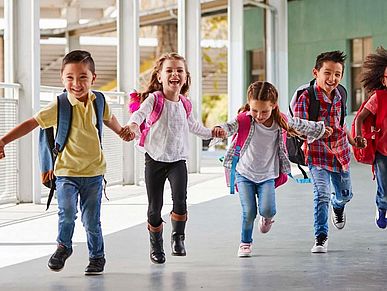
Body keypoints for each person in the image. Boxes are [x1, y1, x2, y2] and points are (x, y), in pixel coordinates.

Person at [0, 50, 126, 275]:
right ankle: (63, 247)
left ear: (93, 78)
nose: (76, 83)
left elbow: (109, 119)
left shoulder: (100, 100)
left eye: (83, 77)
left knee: (92, 221)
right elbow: (31, 123)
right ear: (62, 79)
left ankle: (97, 257)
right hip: (66, 172)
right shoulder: (59, 105)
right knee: (66, 212)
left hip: (94, 173)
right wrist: (3, 141)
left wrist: (121, 132)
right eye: (70, 77)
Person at [121, 52, 225, 264]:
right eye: (169, 70)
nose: (174, 74)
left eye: (179, 70)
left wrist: (212, 132)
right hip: (155, 159)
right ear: (159, 76)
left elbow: (194, 127)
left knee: (180, 200)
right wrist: (132, 125)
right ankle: (156, 245)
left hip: (178, 160)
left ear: (186, 77)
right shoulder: (154, 99)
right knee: (154, 207)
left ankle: (178, 237)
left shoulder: (186, 103)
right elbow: (139, 115)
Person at [220, 81, 332, 257]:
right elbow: (228, 126)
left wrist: (320, 129)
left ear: (273, 106)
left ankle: (267, 218)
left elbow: (300, 124)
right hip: (244, 173)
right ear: (249, 105)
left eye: (264, 111)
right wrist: (218, 130)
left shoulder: (280, 122)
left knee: (268, 210)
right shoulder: (244, 119)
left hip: (267, 175)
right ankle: (245, 242)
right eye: (254, 110)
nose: (259, 115)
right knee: (249, 211)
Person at [293, 50, 357, 253]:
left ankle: (338, 207)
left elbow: (341, 124)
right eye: (327, 73)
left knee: (345, 195)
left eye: (337, 74)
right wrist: (318, 130)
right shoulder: (306, 97)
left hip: (340, 152)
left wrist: (354, 141)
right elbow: (297, 126)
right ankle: (321, 237)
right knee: (321, 194)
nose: (332, 78)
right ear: (316, 72)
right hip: (317, 153)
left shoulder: (341, 94)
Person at [354, 46, 387, 229]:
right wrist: (359, 136)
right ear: (382, 79)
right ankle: (381, 207)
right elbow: (360, 117)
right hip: (382, 151)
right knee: (385, 191)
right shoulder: (379, 98)